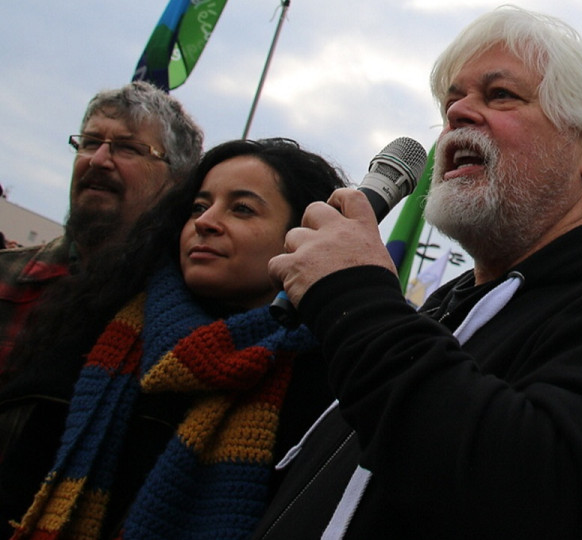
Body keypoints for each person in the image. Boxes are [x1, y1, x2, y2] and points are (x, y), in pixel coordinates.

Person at [257, 6, 582, 539]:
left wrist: (355, 301)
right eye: (451, 103)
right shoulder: (439, 312)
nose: (459, 113)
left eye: (500, 94)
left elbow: (538, 501)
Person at [1, 138, 347, 539]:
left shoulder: (331, 388)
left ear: (302, 238)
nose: (205, 222)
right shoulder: (93, 335)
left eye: (241, 209)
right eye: (198, 207)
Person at [0, 81, 203, 373]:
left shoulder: (185, 320)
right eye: (90, 143)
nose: (98, 160)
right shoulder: (6, 277)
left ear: (177, 181)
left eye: (127, 148)